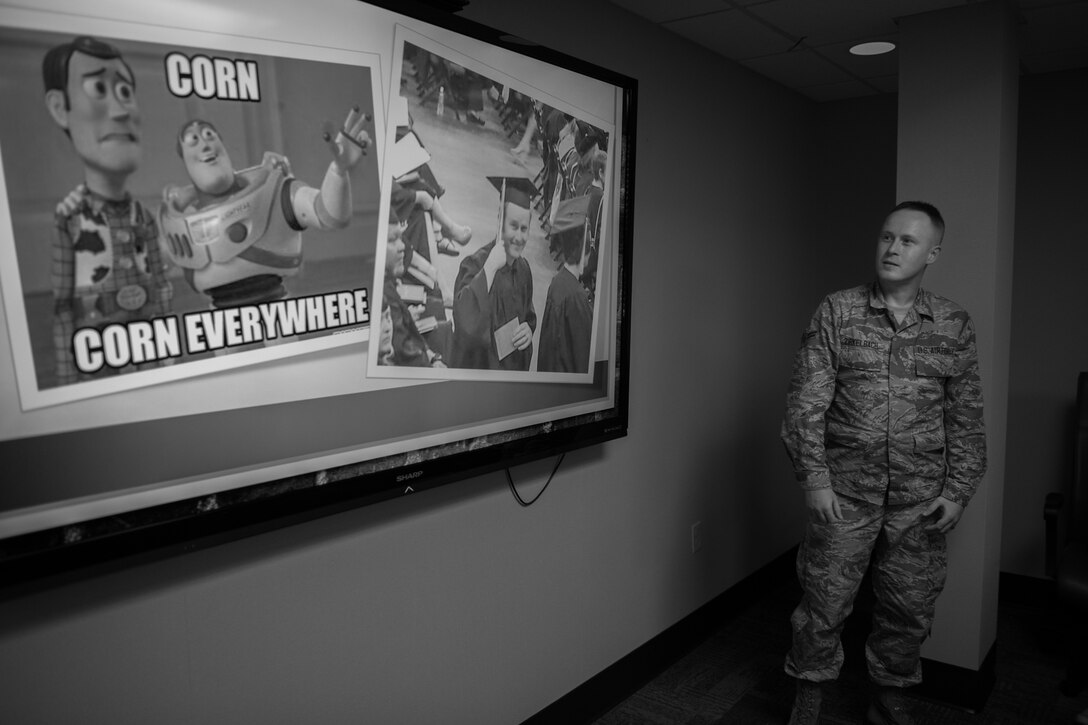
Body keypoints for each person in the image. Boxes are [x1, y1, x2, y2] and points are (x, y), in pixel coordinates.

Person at [780, 201, 986, 725]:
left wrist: (959, 491)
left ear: (932, 253)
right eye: (886, 237)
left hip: (919, 502)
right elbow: (806, 402)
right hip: (843, 496)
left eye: (908, 241)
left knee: (907, 611)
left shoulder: (953, 323)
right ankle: (809, 698)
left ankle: (890, 699)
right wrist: (815, 481)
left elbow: (966, 418)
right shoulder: (838, 312)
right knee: (823, 607)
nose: (893, 249)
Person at [43, 35, 173, 385]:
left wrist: (169, 365)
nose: (121, 111)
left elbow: (160, 288)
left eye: (126, 93)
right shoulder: (69, 218)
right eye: (98, 88)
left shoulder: (143, 218)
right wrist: (69, 382)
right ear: (59, 108)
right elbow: (62, 307)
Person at [157, 112, 370, 310]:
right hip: (220, 320)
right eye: (193, 140)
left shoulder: (275, 190)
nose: (204, 144)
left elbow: (329, 215)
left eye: (209, 135)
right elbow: (157, 263)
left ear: (222, 144)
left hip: (274, 308)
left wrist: (339, 171)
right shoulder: (179, 218)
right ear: (184, 158)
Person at [451, 176, 537, 371]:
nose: (519, 237)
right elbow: (464, 327)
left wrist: (528, 330)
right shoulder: (474, 265)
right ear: (500, 221)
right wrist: (489, 269)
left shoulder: (523, 269)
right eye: (513, 226)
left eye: (525, 229)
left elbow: (529, 317)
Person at [379, 208, 448, 368]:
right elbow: (405, 352)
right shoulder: (382, 291)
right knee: (443, 329)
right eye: (392, 240)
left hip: (415, 348)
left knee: (437, 307)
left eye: (400, 237)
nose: (402, 246)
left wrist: (433, 357)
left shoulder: (388, 282)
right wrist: (433, 362)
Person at [538, 194, 593, 374]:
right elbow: (583, 358)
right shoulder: (577, 297)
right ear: (584, 248)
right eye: (590, 244)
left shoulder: (557, 281)